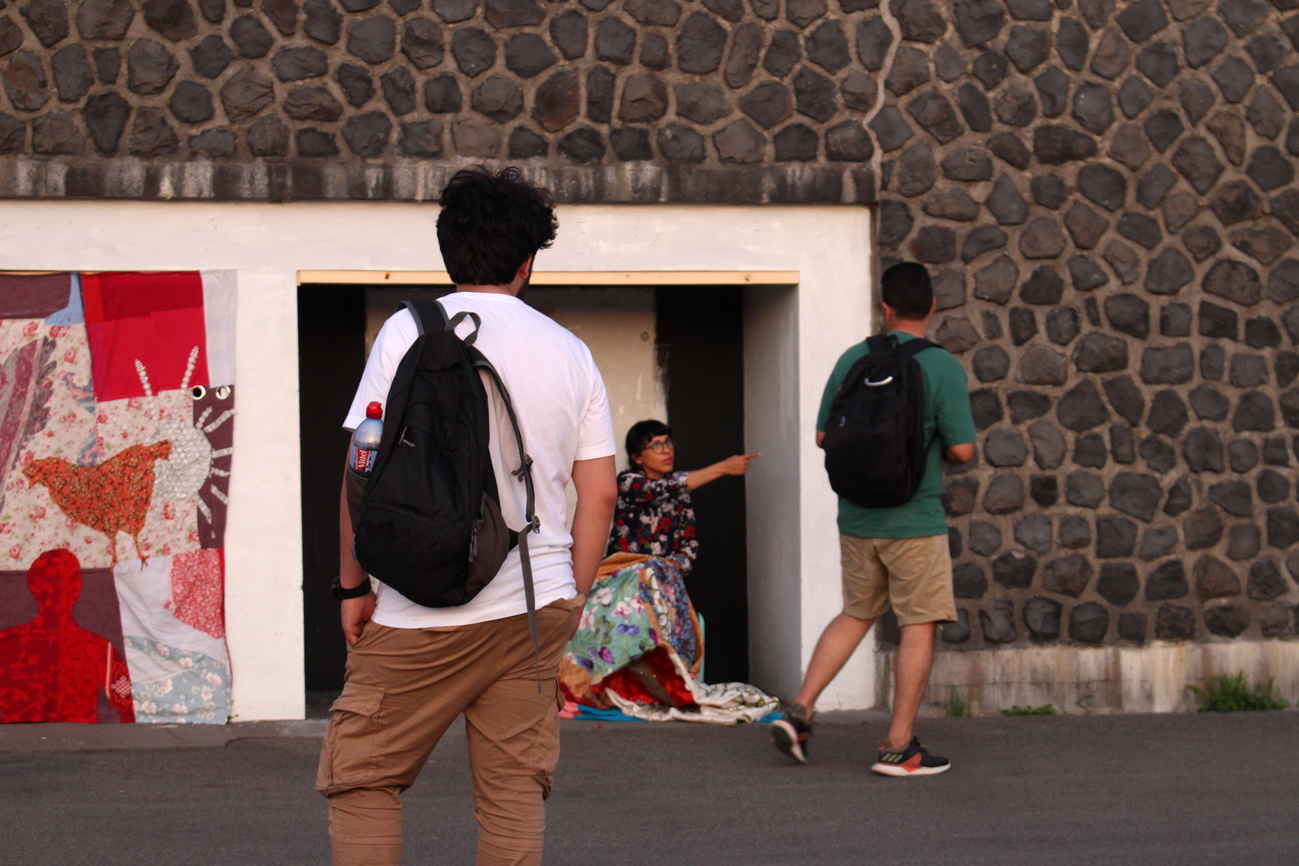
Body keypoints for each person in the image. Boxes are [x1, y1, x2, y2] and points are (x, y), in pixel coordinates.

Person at [317, 166, 619, 866]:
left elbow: (361, 471)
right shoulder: (571, 352)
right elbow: (600, 494)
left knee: (363, 773)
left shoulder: (406, 331)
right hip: (535, 607)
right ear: (527, 261)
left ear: (448, 251)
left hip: (421, 607)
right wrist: (570, 596)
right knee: (513, 789)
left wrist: (352, 587)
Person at [771, 261, 975, 777]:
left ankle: (800, 712)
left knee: (856, 612)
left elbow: (824, 436)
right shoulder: (941, 366)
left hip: (858, 517)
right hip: (914, 519)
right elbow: (963, 450)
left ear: (885, 308)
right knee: (918, 623)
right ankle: (898, 747)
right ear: (932, 306)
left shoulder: (854, 358)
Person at [606, 419, 758, 572]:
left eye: (668, 442)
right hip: (623, 577)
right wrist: (723, 467)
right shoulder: (628, 481)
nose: (667, 450)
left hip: (663, 579)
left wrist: (672, 567)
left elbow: (689, 542)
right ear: (637, 457)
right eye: (656, 445)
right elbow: (660, 489)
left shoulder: (680, 492)